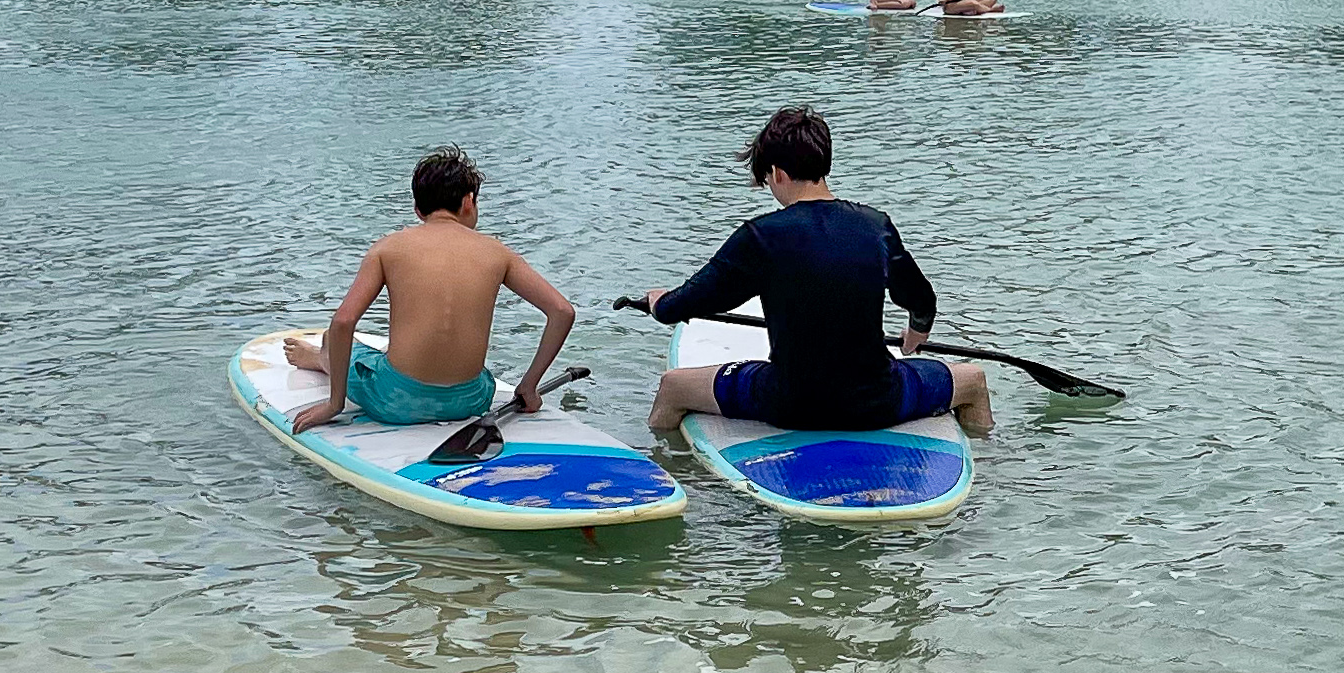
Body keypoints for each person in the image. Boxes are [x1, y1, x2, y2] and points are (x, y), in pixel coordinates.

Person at [637, 105, 991, 437]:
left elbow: (684, 306)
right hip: (879, 403)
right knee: (973, 380)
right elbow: (921, 298)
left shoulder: (759, 238)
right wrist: (917, 330)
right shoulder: (875, 227)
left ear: (777, 173)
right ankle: (993, 471)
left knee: (673, 388)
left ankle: (672, 470)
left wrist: (658, 302)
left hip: (787, 404)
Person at [286, 147, 577, 431]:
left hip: (395, 402)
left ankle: (320, 358)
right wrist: (528, 386)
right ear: (468, 201)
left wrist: (334, 404)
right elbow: (562, 311)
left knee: (335, 342)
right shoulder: (498, 252)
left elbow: (343, 321)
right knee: (471, 372)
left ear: (418, 210)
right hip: (471, 400)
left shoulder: (388, 248)